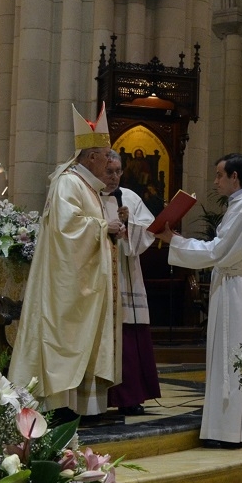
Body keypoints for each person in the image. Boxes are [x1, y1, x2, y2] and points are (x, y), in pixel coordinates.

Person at [10, 105, 122, 424]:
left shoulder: (87, 185)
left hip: (86, 282)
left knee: (84, 338)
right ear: (89, 158)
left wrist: (106, 229)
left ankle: (84, 406)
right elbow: (66, 228)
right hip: (68, 284)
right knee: (66, 338)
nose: (108, 159)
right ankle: (60, 405)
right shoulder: (69, 183)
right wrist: (102, 228)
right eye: (104, 154)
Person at [156, 153, 242, 448]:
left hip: (233, 288)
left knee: (232, 357)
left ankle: (232, 431)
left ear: (235, 178)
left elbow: (217, 252)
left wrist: (174, 241)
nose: (215, 181)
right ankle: (233, 428)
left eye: (219, 175)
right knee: (232, 356)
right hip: (233, 285)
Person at [102, 151, 161, 415]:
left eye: (117, 171)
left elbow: (150, 229)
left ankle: (131, 396)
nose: (114, 177)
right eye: (109, 171)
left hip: (126, 276)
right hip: (100, 278)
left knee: (130, 335)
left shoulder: (131, 197)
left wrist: (129, 224)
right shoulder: (88, 196)